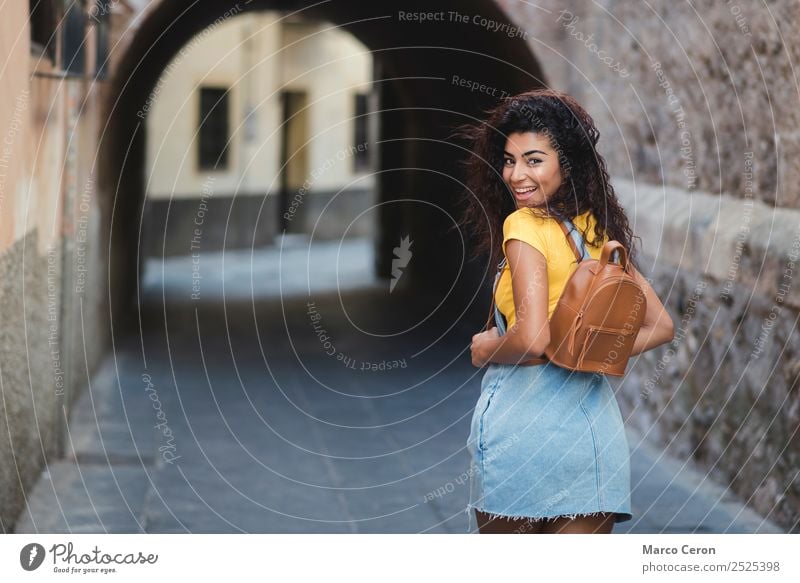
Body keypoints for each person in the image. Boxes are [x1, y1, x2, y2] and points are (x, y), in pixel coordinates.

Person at [456, 89, 675, 534]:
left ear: (566, 164)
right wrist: (584, 351)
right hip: (592, 438)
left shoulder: (522, 226)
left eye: (534, 160)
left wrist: (487, 348)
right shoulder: (596, 230)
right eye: (509, 160)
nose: (517, 175)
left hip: (522, 431)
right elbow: (661, 326)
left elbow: (532, 339)